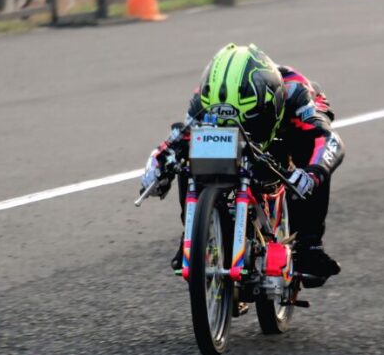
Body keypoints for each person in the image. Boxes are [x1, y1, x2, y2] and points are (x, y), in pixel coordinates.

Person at [140, 43, 345, 284]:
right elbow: (176, 141)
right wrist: (157, 167)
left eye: (251, 122)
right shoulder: (204, 98)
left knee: (310, 153)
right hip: (229, 142)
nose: (244, 132)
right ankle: (196, 232)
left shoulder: (296, 92)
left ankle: (310, 245)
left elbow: (329, 141)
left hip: (286, 133)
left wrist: (313, 173)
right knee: (192, 150)